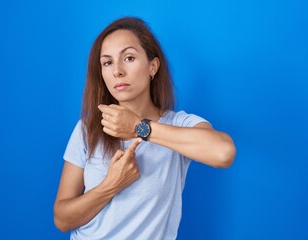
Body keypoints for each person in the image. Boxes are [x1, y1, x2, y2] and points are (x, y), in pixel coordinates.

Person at [54, 16, 236, 240]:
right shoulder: (87, 128)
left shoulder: (179, 124)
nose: (117, 71)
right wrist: (110, 186)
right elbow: (62, 220)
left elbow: (223, 153)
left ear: (153, 66)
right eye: (107, 62)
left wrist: (139, 128)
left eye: (128, 58)